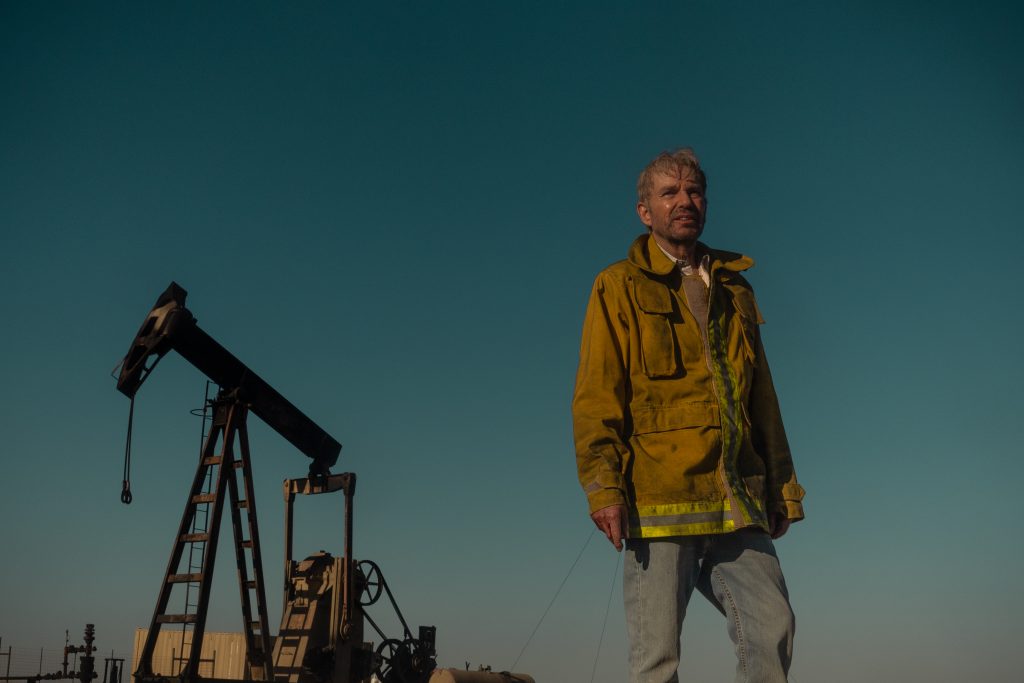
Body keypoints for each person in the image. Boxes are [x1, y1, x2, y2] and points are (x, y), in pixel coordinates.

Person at [572, 148, 805, 683]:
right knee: (657, 659)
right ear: (645, 211)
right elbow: (595, 395)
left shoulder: (734, 288)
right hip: (659, 497)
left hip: (736, 494)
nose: (685, 202)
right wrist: (604, 487)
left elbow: (762, 397)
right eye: (669, 193)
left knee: (773, 625)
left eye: (694, 191)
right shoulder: (618, 286)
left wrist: (782, 489)